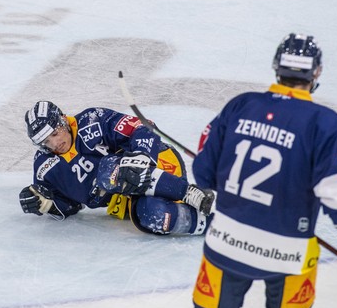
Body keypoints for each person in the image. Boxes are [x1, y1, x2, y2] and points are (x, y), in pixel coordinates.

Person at [181, 33, 337, 308]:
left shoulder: (241, 105)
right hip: (288, 253)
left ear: (276, 68)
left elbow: (205, 172)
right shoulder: (326, 124)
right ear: (316, 73)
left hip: (225, 243)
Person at [18, 100, 214, 236]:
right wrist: (46, 204)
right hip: (127, 199)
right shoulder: (44, 167)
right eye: (45, 141)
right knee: (152, 215)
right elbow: (70, 206)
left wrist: (140, 155)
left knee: (108, 171)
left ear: (62, 119)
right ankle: (214, 226)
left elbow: (143, 126)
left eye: (55, 133)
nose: (54, 143)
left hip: (160, 164)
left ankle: (189, 193)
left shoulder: (92, 119)